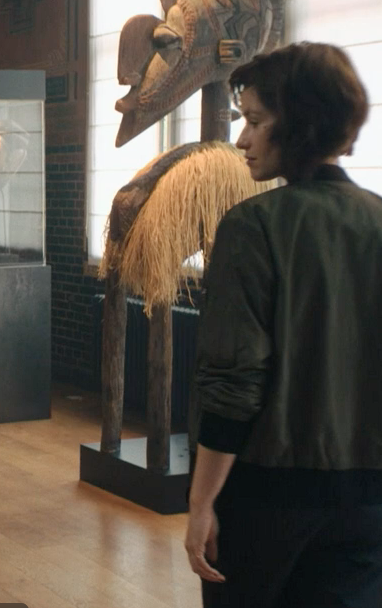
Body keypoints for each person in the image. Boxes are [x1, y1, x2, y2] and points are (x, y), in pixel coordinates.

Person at [185, 42, 382, 607]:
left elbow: (232, 384)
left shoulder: (252, 226)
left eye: (253, 121)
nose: (242, 140)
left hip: (266, 502)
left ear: (297, 124)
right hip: (370, 504)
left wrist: (201, 505)